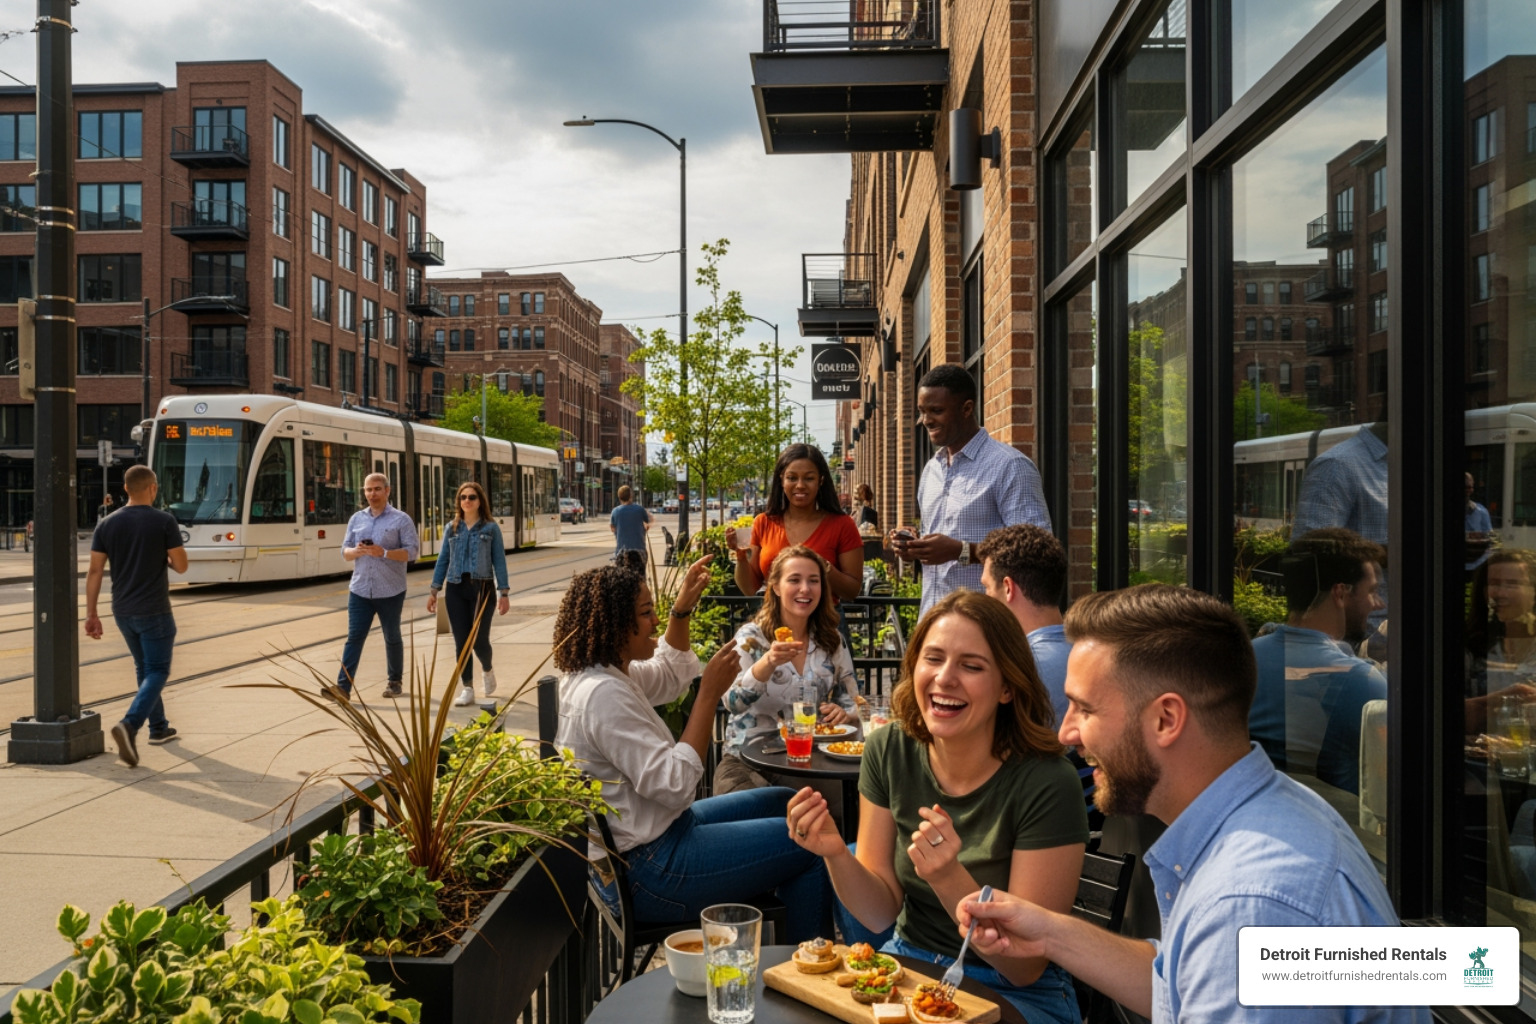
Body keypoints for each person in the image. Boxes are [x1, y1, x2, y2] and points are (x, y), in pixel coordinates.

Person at [954, 585, 1426, 1024]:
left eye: (1086, 709)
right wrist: (1050, 933)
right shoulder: (1268, 811)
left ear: (1166, 718)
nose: (1066, 732)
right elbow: (1181, 984)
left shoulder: (1250, 901)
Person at [787, 590, 1088, 1024]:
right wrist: (834, 853)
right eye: (933, 659)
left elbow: (1025, 966)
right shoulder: (890, 748)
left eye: (971, 665)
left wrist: (949, 878)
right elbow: (879, 912)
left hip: (1017, 992)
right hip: (910, 965)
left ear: (1007, 687)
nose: (945, 678)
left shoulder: (1047, 782)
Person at [553, 554, 832, 940]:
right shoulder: (603, 695)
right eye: (647, 613)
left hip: (657, 838)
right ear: (617, 624)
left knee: (786, 801)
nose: (655, 621)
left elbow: (671, 675)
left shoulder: (606, 672)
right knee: (811, 841)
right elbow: (675, 785)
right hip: (651, 871)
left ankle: (774, 934)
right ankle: (806, 969)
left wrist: (681, 611)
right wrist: (708, 697)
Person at [893, 364, 1051, 616]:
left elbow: (1037, 553)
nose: (926, 420)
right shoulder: (931, 470)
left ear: (967, 408)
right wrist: (914, 545)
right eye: (922, 412)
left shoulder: (1010, 466)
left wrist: (962, 551)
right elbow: (939, 547)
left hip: (984, 626)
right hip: (932, 621)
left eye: (936, 411)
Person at [1249, 528, 1386, 795]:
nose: (1377, 604)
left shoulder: (1243, 659)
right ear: (1340, 593)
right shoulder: (1358, 679)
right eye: (1371, 591)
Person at [715, 546, 859, 794]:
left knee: (838, 806)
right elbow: (732, 702)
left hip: (807, 760)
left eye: (813, 581)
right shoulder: (751, 638)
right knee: (765, 810)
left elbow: (855, 702)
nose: (805, 589)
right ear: (776, 586)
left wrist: (844, 712)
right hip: (748, 760)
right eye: (794, 580)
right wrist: (767, 662)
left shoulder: (831, 640)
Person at [84, 465, 188, 767]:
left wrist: (91, 614)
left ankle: (159, 727)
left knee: (143, 666)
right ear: (153, 488)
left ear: (126, 489)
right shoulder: (164, 521)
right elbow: (181, 566)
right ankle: (130, 725)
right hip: (154, 608)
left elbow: (94, 571)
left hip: (122, 610)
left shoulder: (107, 524)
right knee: (157, 670)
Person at [727, 443, 864, 602]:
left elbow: (852, 591)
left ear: (820, 481)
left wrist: (821, 567)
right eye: (792, 478)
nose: (800, 485)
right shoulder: (763, 523)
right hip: (775, 623)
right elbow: (750, 589)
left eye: (809, 478)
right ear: (782, 480)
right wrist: (741, 556)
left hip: (824, 623)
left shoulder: (842, 525)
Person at [334, 472, 420, 700]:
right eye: (368, 490)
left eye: (377, 489)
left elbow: (412, 552)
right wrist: (357, 551)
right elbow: (344, 551)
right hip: (360, 589)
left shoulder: (401, 520)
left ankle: (394, 682)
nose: (372, 494)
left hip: (390, 590)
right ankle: (343, 688)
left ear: (387, 491)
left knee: (391, 636)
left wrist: (383, 552)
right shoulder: (356, 519)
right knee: (354, 637)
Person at [977, 524, 1071, 726]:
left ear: (1008, 588)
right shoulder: (1087, 654)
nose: (984, 598)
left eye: (986, 587)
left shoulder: (1017, 670)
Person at [427, 480, 510, 707]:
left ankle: (487, 668)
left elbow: (499, 561)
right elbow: (443, 559)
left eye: (472, 497)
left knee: (479, 640)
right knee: (462, 641)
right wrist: (434, 590)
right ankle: (467, 688)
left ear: (480, 501)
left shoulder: (490, 528)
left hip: (482, 588)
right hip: (455, 588)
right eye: (463, 497)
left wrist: (504, 592)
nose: (467, 501)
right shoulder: (451, 528)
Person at [609, 484, 653, 565]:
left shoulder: (615, 511)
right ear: (631, 496)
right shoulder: (640, 509)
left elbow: (612, 528)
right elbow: (648, 523)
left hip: (622, 553)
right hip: (639, 552)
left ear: (619, 497)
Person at [1466, 471, 1495, 572]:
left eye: (1470, 487)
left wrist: (1478, 564)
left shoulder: (1481, 511)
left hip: (1475, 568)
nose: (1468, 490)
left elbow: (1492, 541)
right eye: (1465, 487)